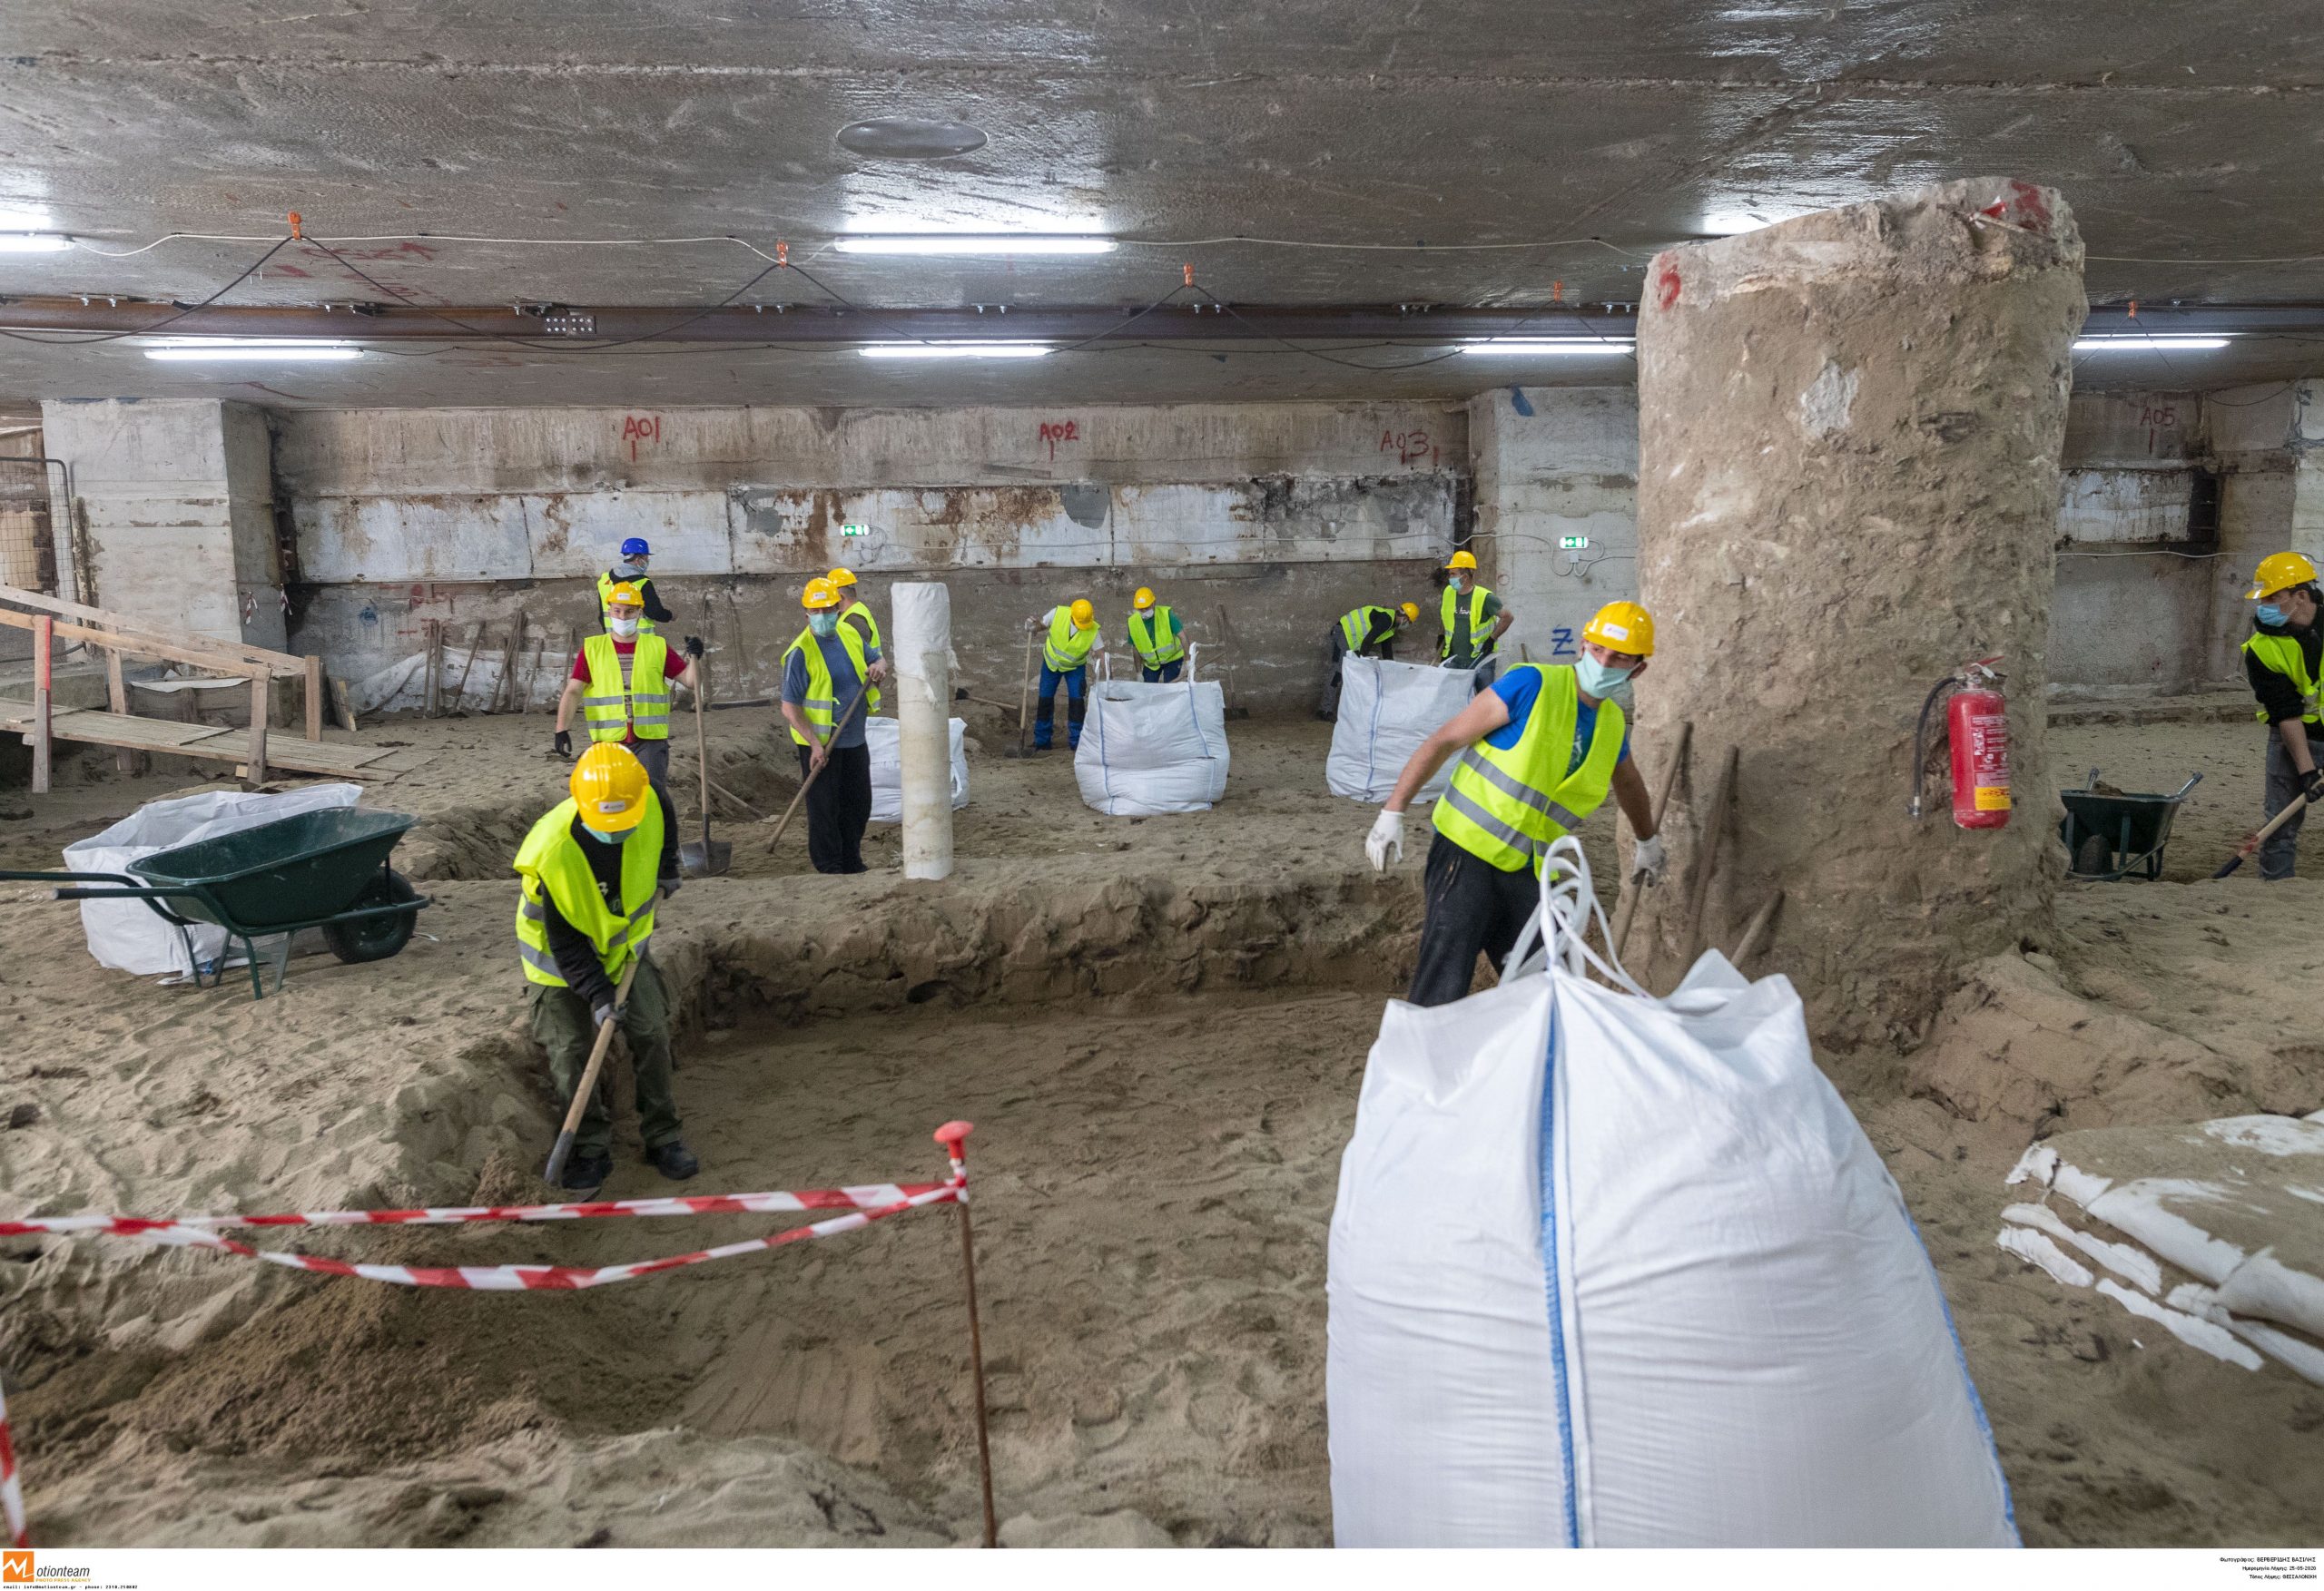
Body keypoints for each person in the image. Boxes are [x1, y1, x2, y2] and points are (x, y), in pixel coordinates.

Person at [1366, 600, 1665, 1007]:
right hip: (1466, 851)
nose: (1604, 661)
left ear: (1638, 669)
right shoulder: (1532, 684)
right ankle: (1418, 1062)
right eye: (1597, 650)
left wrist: (1648, 840)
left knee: (1546, 979)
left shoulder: (1612, 724)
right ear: (1582, 646)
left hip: (1529, 868)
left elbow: (1629, 784)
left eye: (1618, 658)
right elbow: (1446, 739)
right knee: (1446, 973)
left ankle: (1525, 1062)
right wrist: (1392, 811)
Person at [516, 741, 697, 1190]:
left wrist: (668, 864)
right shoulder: (553, 853)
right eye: (607, 824)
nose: (616, 831)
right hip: (558, 964)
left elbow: (664, 813)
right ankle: (590, 1145)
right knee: (571, 1049)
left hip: (625, 950)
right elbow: (569, 946)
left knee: (651, 1030)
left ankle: (663, 1135)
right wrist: (598, 997)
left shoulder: (647, 796)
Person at [553, 582, 700, 890]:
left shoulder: (657, 647)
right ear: (609, 612)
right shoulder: (592, 649)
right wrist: (561, 729)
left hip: (649, 739)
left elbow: (689, 681)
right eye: (617, 610)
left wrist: (695, 657)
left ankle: (662, 861)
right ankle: (610, 857)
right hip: (609, 742)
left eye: (629, 610)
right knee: (607, 802)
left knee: (653, 796)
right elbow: (574, 690)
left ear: (640, 613)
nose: (622, 615)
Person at [781, 576, 889, 874]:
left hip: (854, 739)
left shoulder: (849, 635)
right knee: (825, 810)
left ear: (837, 608)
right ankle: (829, 866)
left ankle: (852, 860)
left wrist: (879, 667)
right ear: (806, 614)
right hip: (822, 745)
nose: (821, 617)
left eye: (826, 610)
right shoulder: (800, 652)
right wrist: (814, 743)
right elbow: (789, 706)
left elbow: (878, 659)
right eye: (814, 612)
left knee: (858, 806)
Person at [2240, 551, 2324, 880]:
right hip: (2291, 738)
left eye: (2274, 597)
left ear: (2300, 596)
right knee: (2280, 825)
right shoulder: (2261, 648)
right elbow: (2286, 714)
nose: (2266, 606)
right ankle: (2275, 886)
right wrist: (2307, 772)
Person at [1319, 600, 1422, 720]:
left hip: (1351, 640)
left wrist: (1394, 669)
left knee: (1348, 676)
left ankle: (1338, 710)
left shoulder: (1390, 628)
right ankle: (1324, 710)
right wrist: (1362, 660)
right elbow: (1369, 640)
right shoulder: (1386, 619)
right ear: (1405, 618)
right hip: (1343, 633)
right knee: (1338, 672)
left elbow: (1387, 651)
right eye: (1409, 622)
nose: (1407, 625)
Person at [1029, 598, 1100, 751]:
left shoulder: (1092, 628)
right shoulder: (1058, 613)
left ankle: (1077, 742)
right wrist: (1032, 627)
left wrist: (1107, 677)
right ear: (1071, 616)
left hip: (1075, 668)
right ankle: (1042, 742)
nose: (1082, 628)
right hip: (1051, 665)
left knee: (1077, 703)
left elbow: (1101, 654)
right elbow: (1041, 625)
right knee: (1045, 700)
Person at [1439, 550, 1513, 690]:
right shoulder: (1448, 592)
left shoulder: (1485, 597)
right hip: (1455, 659)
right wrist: (1441, 638)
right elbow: (1446, 617)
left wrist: (1492, 639)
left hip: (1481, 660)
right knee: (1456, 698)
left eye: (1453, 574)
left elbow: (1508, 617)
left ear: (1465, 577)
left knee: (1483, 698)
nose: (1450, 578)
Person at [827, 566, 884, 714]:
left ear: (840, 596)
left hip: (857, 690)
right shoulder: (857, 612)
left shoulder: (853, 620)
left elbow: (853, 660)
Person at [600, 536, 674, 636]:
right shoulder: (642, 582)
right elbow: (655, 612)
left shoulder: (604, 579)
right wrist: (670, 616)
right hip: (640, 641)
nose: (647, 560)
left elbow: (602, 616)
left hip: (613, 640)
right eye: (646, 557)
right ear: (639, 559)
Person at [1126, 587, 1187, 683]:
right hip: (1151, 664)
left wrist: (1188, 661)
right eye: (1141, 609)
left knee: (1171, 690)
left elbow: (1183, 637)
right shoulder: (1132, 622)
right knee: (1148, 691)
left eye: (1147, 608)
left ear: (1153, 603)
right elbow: (1135, 648)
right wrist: (1138, 672)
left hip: (1172, 659)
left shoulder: (1166, 614)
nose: (1144, 611)